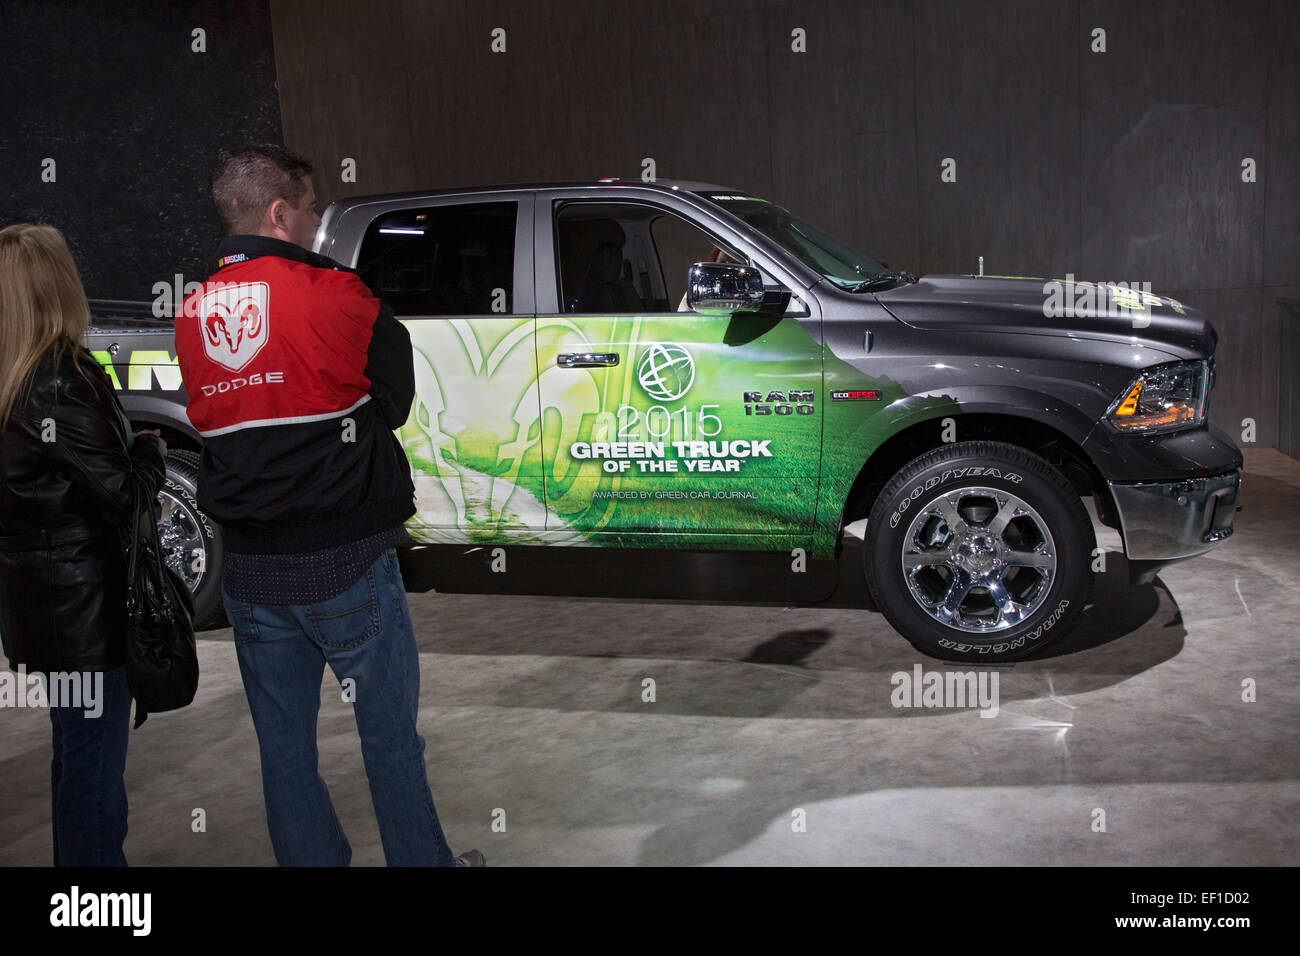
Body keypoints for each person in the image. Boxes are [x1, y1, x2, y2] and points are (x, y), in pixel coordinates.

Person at [174, 145, 482, 866]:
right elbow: (395, 401)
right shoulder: (339, 294)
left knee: (285, 753)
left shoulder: (191, 311)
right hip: (345, 559)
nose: (316, 222)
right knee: (389, 740)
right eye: (310, 208)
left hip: (249, 571)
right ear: (281, 213)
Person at [0, 223, 168, 866]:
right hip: (85, 617)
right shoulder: (59, 380)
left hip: (37, 614)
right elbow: (124, 496)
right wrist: (150, 454)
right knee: (95, 779)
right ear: (58, 285)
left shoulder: (15, 378)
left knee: (74, 761)